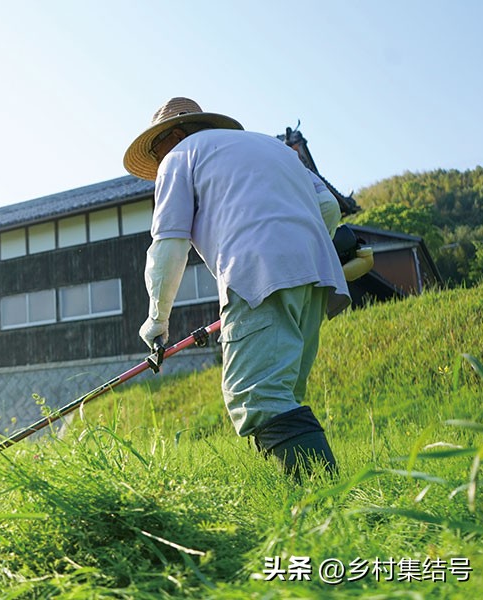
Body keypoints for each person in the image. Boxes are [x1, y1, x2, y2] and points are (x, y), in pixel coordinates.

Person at [123, 97, 356, 478]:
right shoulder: (274, 147)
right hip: (318, 275)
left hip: (255, 271)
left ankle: (327, 507)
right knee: (282, 395)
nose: (158, 160)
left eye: (157, 148)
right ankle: (310, 508)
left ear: (175, 134)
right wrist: (302, 254)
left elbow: (168, 245)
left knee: (256, 394)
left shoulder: (179, 157)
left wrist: (156, 321)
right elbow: (329, 207)